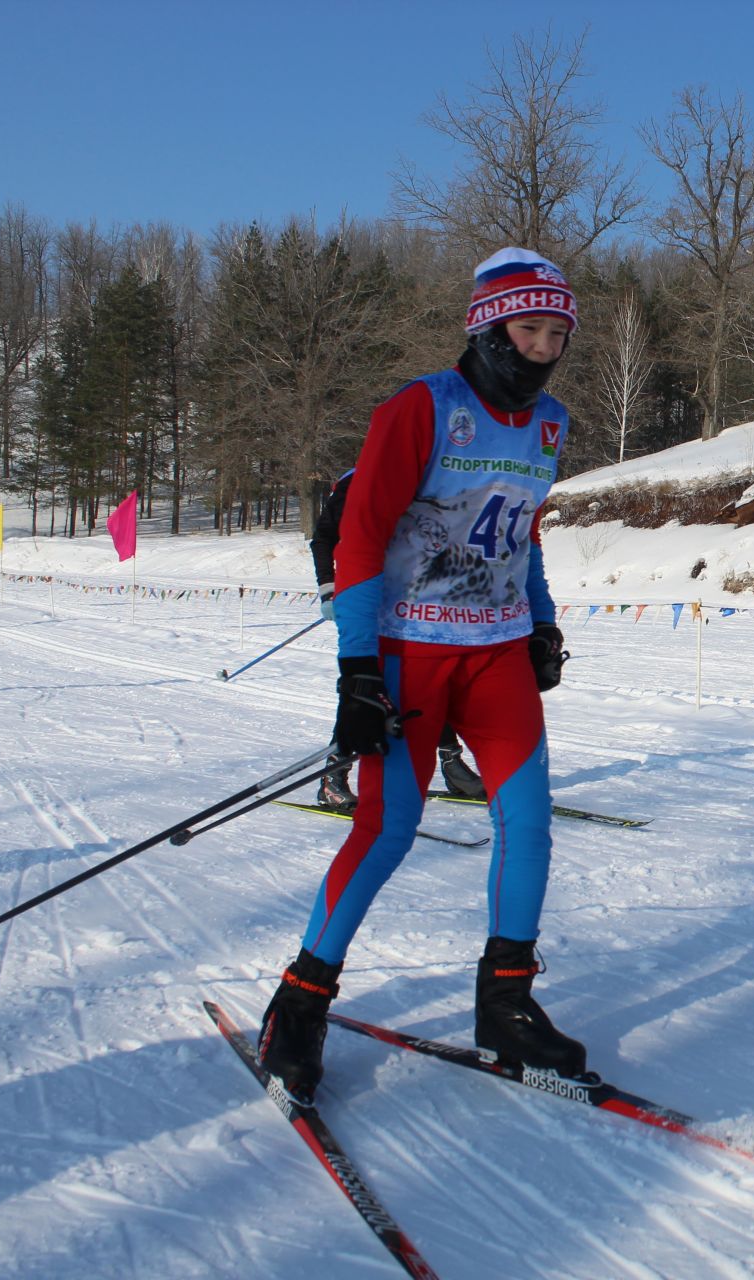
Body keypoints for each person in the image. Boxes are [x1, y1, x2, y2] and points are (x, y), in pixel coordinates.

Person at [259, 247, 580, 1104]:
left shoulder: (551, 424)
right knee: (388, 827)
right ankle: (301, 1002)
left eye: (557, 332)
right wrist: (356, 668)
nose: (544, 346)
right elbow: (362, 537)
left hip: (497, 649)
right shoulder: (421, 408)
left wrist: (542, 620)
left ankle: (505, 1004)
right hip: (408, 650)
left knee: (528, 819)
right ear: (488, 327)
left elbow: (522, 532)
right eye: (529, 328)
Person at [310, 467, 486, 810]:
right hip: (365, 597)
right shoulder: (358, 480)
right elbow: (324, 538)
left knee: (436, 679)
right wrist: (328, 589)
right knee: (366, 684)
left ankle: (452, 765)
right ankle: (334, 777)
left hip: (416, 599)